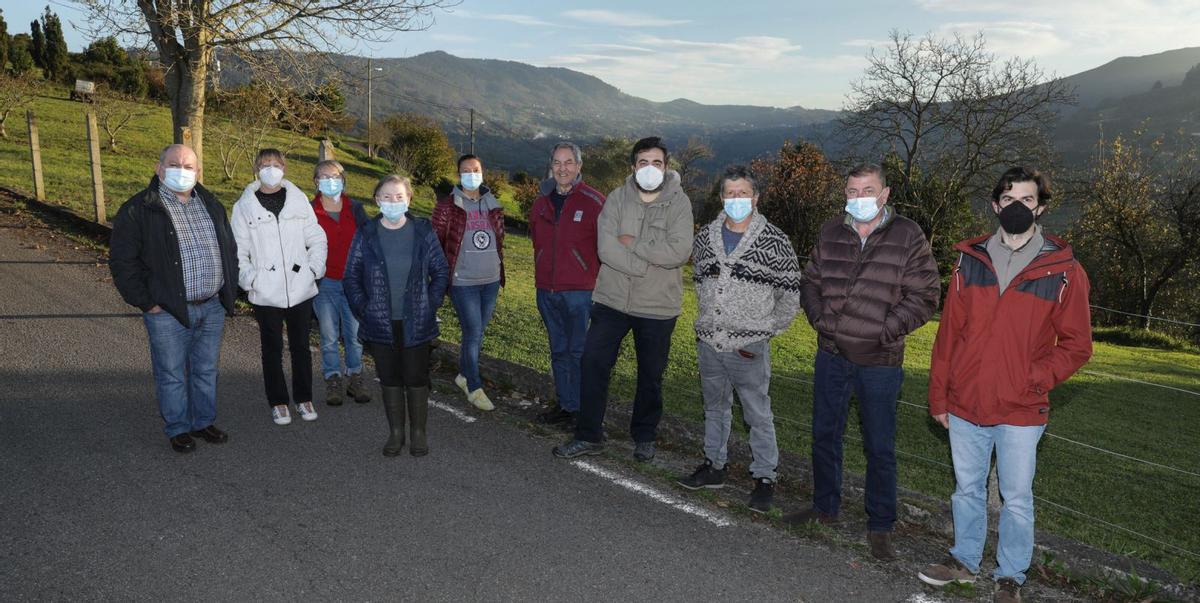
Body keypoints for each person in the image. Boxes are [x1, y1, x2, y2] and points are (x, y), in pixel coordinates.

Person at [918, 168, 1092, 603]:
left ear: (1041, 208)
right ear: (995, 204)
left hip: (1020, 407)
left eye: (1028, 200)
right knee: (967, 490)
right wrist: (939, 394)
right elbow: (947, 338)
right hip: (965, 402)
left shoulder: (1065, 270)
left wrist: (1034, 378)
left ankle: (1010, 576)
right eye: (1009, 197)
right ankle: (963, 562)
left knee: (1016, 498)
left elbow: (1077, 345)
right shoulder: (968, 261)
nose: (1017, 206)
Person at [783, 163, 940, 561]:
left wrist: (885, 330)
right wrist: (821, 321)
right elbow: (811, 281)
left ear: (885, 194)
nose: (859, 199)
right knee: (824, 435)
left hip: (880, 361)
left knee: (880, 446)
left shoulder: (908, 235)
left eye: (867, 190)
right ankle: (824, 508)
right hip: (832, 353)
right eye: (852, 192)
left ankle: (881, 524)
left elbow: (924, 296)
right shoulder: (831, 230)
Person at [553, 136, 694, 462]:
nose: (649, 169)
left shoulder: (680, 203)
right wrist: (645, 263)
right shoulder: (616, 199)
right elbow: (606, 247)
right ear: (633, 167)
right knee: (593, 362)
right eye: (643, 163)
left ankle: (644, 436)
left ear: (666, 167)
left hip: (657, 305)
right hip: (612, 300)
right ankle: (588, 435)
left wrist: (633, 245)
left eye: (656, 163)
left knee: (650, 374)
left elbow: (679, 251)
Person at [677, 165, 801, 514]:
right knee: (714, 408)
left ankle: (765, 477)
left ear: (755, 198)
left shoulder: (775, 241)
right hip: (709, 343)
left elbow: (790, 294)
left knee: (757, 414)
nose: (736, 200)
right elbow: (701, 285)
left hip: (749, 347)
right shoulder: (704, 239)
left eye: (743, 193)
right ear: (721, 198)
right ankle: (714, 466)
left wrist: (765, 329)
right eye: (730, 194)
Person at [110, 144, 239, 453]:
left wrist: (227, 291)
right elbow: (122, 262)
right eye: (174, 164)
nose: (182, 171)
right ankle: (178, 427)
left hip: (211, 305)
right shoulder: (138, 209)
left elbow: (229, 249)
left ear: (198, 172)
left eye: (189, 166)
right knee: (171, 372)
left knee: (206, 369)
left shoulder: (211, 203)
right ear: (159, 168)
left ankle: (203, 421)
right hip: (166, 309)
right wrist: (147, 302)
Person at [343, 175, 450, 457]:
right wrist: (364, 309)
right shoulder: (366, 233)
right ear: (377, 200)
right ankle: (396, 433)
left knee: (415, 377)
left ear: (409, 199)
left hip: (417, 320)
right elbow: (351, 276)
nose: (393, 202)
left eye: (399, 196)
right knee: (389, 377)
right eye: (387, 197)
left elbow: (440, 271)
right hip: (379, 320)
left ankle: (418, 433)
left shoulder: (423, 232)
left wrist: (432, 301)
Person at [231, 149, 328, 426]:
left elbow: (317, 238)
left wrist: (313, 270)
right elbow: (238, 250)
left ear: (284, 167)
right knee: (271, 348)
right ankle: (278, 401)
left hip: (300, 288)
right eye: (264, 165)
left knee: (301, 347)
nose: (270, 169)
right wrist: (251, 280)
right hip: (266, 291)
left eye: (275, 164)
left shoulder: (298, 201)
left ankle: (304, 397)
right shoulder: (244, 206)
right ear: (255, 169)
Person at [528, 142, 606, 427]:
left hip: (579, 292)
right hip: (546, 291)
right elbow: (536, 238)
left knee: (578, 352)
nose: (563, 168)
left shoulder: (594, 201)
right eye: (558, 163)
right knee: (558, 350)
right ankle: (565, 404)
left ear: (579, 166)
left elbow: (605, 247)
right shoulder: (541, 202)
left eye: (569, 162)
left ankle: (584, 412)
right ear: (551, 166)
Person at [432, 154, 505, 412]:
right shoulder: (447, 206)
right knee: (473, 332)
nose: (472, 174)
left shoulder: (493, 203)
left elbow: (499, 239)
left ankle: (463, 375)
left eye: (476, 169)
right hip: (463, 282)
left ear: (483, 172)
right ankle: (474, 387)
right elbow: (436, 244)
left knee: (476, 333)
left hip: (491, 281)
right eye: (466, 170)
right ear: (458, 175)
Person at [310, 159, 372, 406]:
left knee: (355, 335)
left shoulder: (355, 208)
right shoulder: (308, 211)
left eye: (335, 176)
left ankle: (355, 377)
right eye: (324, 176)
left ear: (343, 179)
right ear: (315, 181)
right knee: (328, 334)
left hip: (354, 283)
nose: (330, 181)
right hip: (324, 283)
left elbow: (370, 241)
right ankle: (333, 379)